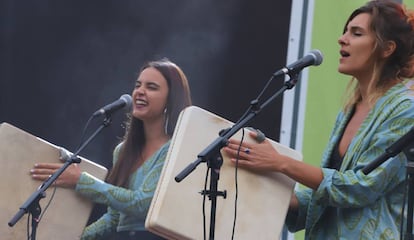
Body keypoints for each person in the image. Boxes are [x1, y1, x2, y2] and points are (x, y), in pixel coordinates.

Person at [223, 0, 414, 239]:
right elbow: (328, 195)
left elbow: (361, 188)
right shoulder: (349, 110)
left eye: (356, 33)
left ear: (387, 49)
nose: (342, 39)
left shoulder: (407, 109)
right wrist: (264, 183)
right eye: (345, 31)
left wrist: (280, 163)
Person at [30, 58, 192, 240]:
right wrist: (74, 237)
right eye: (138, 85)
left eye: (151, 87)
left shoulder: (176, 149)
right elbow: (114, 218)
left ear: (171, 99)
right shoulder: (123, 151)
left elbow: (144, 204)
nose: (140, 92)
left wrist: (82, 181)